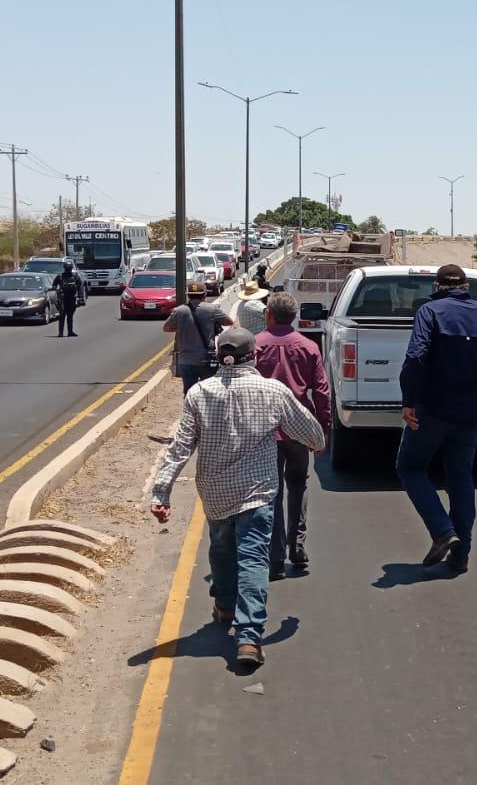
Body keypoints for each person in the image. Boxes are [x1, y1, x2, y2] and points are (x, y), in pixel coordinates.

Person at [150, 327, 325, 670]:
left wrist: (162, 491)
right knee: (254, 559)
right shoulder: (273, 391)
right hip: (257, 492)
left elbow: (180, 446)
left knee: (220, 548)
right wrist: (317, 443)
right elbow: (311, 432)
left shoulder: (199, 393)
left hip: (215, 492)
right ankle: (249, 637)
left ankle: (225, 606)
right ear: (254, 356)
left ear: (219, 357)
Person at [398, 264, 477, 575]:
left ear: (437, 287)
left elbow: (416, 356)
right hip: (471, 411)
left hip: (434, 408)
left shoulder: (429, 311)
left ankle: (442, 530)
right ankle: (460, 555)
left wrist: (409, 400)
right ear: (465, 286)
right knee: (461, 478)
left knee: (410, 468)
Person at [255, 292, 332, 577]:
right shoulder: (309, 346)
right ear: (295, 316)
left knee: (271, 492)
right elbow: (321, 392)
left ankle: (275, 558)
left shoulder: (256, 345)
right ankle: (297, 545)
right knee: (299, 484)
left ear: (269, 314)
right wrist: (322, 430)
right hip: (299, 428)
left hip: (265, 430)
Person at [164, 282, 234, 394]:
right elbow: (229, 322)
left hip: (185, 359)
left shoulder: (179, 310)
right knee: (209, 391)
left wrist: (183, 327)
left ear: (188, 295)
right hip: (206, 358)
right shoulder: (211, 309)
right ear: (204, 295)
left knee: (189, 391)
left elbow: (166, 328)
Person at [55, 260, 82, 337]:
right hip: (63, 299)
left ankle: (70, 332)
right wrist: (57, 291)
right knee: (62, 316)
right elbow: (54, 285)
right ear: (64, 268)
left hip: (72, 298)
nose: (68, 270)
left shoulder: (75, 276)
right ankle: (60, 333)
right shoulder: (60, 276)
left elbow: (79, 285)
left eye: (69, 268)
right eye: (67, 268)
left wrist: (79, 296)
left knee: (70, 316)